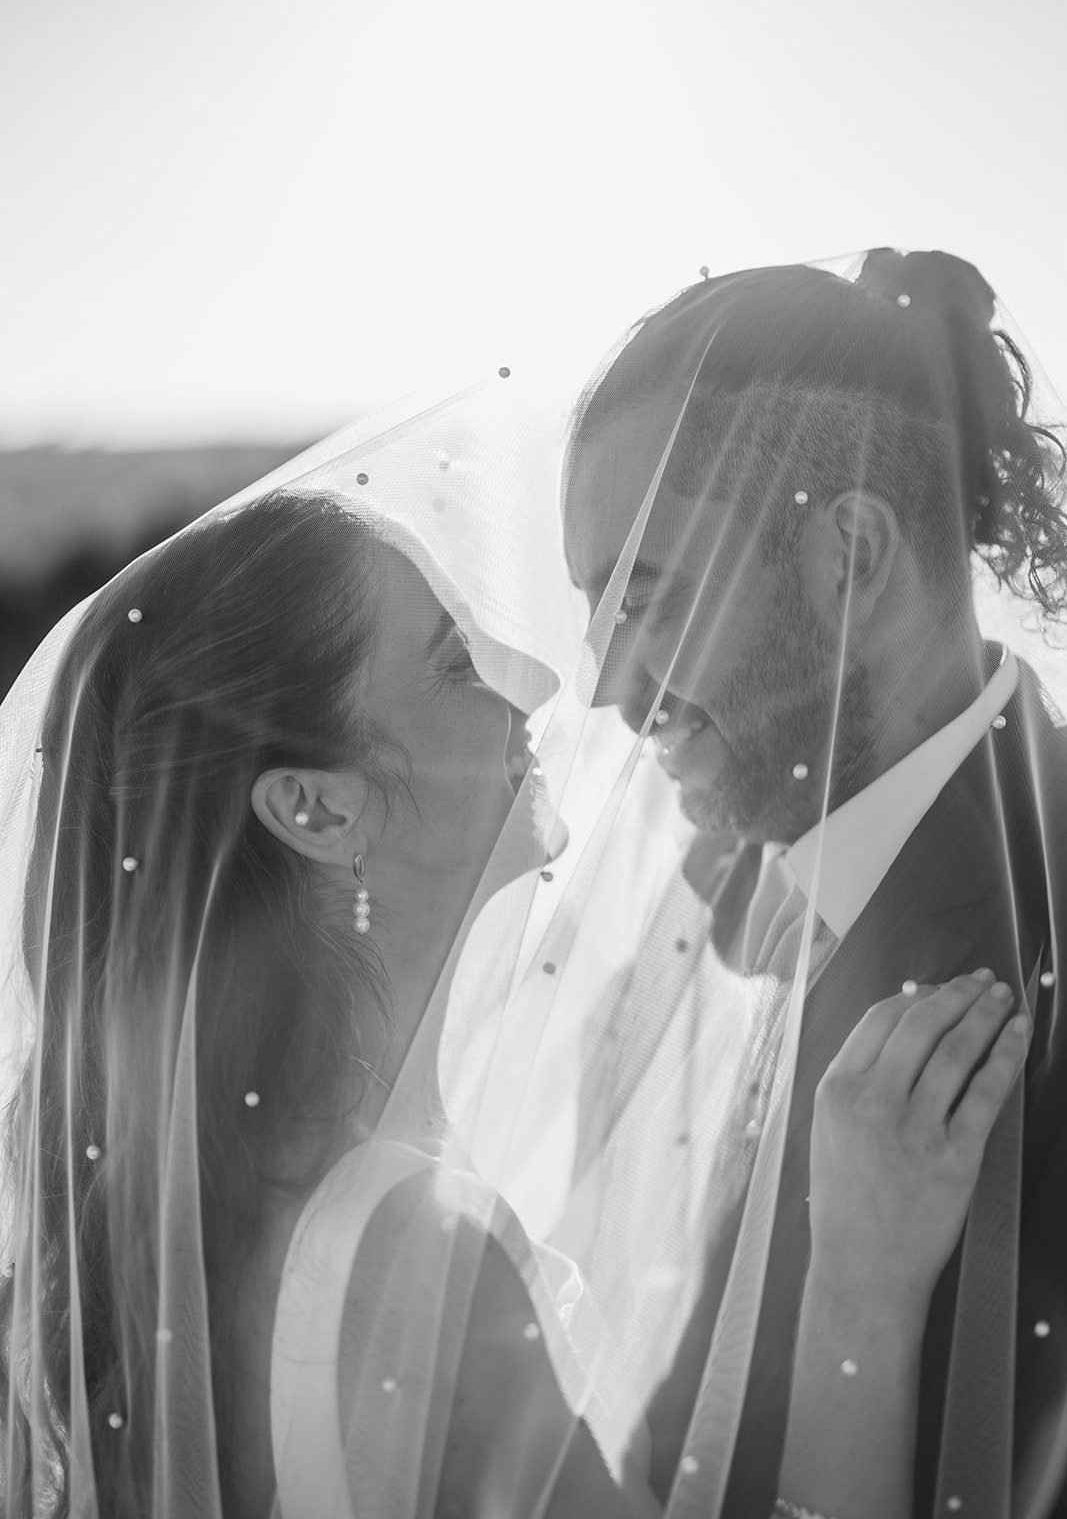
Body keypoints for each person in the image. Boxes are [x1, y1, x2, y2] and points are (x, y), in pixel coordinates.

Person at [0, 406, 1029, 1519]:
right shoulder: (411, 1256)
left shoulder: (199, 1228)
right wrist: (862, 1291)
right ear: (315, 809)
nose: (535, 685)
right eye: (457, 664)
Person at [559, 250, 1067, 1517]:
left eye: (647, 599)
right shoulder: (712, 887)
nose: (605, 686)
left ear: (849, 554)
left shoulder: (1032, 971)